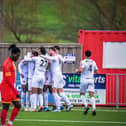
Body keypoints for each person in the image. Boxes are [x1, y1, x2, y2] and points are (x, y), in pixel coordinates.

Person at [0, 45, 21, 126]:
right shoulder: (7, 63)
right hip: (6, 87)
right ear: (13, 54)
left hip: (11, 87)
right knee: (6, 106)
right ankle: (2, 125)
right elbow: (8, 80)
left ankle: (9, 123)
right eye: (18, 55)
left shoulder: (11, 62)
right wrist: (15, 90)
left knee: (18, 105)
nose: (18, 57)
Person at [24, 47, 48, 111]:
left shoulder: (37, 58)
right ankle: (41, 106)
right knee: (40, 92)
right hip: (43, 77)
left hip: (36, 76)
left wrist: (28, 55)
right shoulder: (46, 59)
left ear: (40, 52)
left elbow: (26, 59)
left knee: (33, 91)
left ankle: (33, 108)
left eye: (39, 51)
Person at [75, 50, 98, 116]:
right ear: (90, 55)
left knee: (82, 93)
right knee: (91, 95)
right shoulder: (93, 62)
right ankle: (94, 108)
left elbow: (81, 70)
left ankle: (86, 106)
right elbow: (97, 71)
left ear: (85, 55)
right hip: (91, 79)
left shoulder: (83, 61)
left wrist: (77, 71)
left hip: (84, 79)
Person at [54, 46, 73, 112]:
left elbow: (63, 61)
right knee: (60, 92)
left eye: (56, 50)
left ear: (58, 50)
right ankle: (68, 104)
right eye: (54, 50)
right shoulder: (55, 56)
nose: (55, 51)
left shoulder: (58, 56)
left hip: (57, 76)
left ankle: (58, 106)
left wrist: (68, 59)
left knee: (55, 91)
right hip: (59, 75)